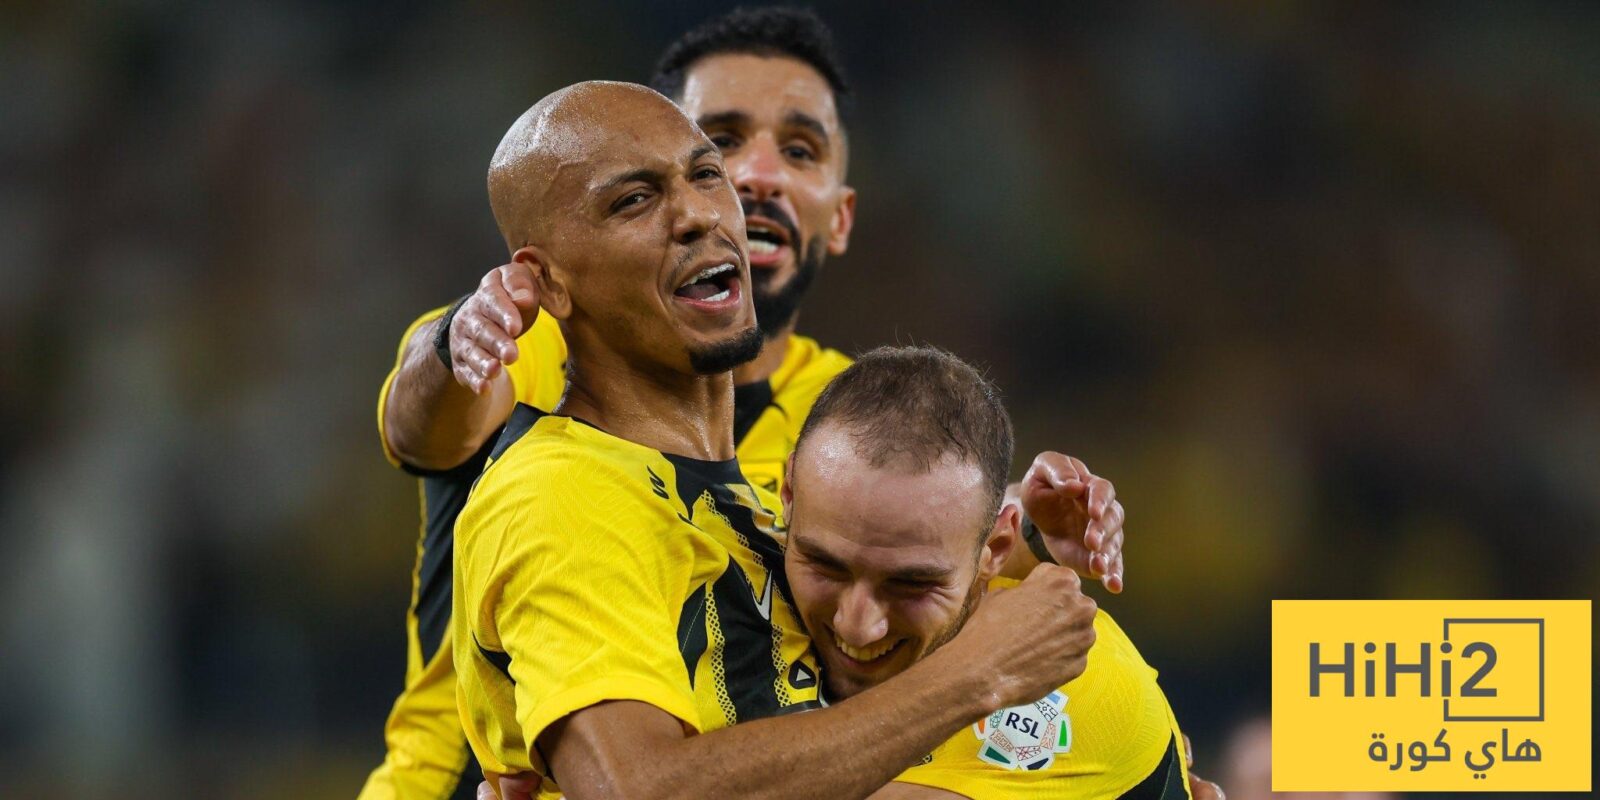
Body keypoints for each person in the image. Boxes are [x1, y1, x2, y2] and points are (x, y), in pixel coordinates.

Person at [361, 9, 1126, 799]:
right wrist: (976, 675)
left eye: (704, 174)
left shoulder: (796, 452)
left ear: (841, 214)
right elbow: (635, 791)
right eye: (635, 200)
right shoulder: (561, 472)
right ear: (547, 280)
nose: (705, 208)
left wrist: (1020, 537)